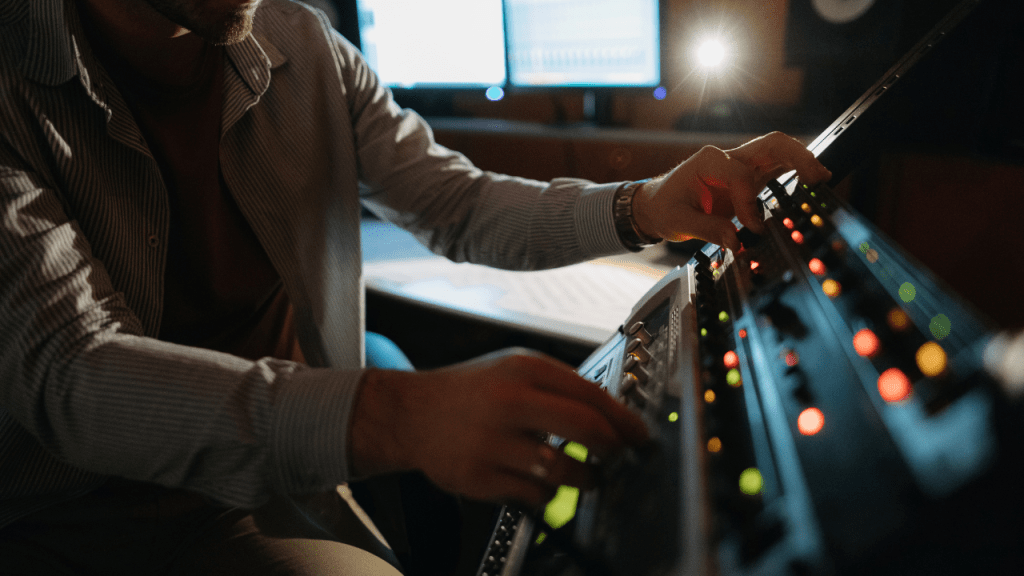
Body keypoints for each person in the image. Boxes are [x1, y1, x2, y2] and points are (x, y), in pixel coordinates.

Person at [0, 0, 832, 573]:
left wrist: (643, 206)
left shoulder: (306, 46)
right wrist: (399, 414)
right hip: (93, 521)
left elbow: (455, 204)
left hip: (279, 480)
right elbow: (74, 376)